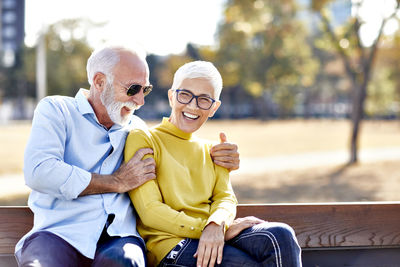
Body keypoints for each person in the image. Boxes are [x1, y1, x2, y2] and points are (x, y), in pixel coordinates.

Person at [15, 46, 240, 267]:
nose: (140, 101)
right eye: (133, 89)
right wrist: (116, 182)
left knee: (128, 262)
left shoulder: (136, 128)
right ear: (99, 82)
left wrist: (221, 155)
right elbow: (40, 171)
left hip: (118, 239)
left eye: (145, 90)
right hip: (58, 234)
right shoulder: (56, 110)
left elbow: (178, 145)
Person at [125, 61, 302, 267]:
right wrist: (209, 228)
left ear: (214, 108)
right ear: (171, 96)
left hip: (215, 235)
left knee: (280, 236)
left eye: (204, 100)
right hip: (170, 246)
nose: (192, 106)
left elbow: (225, 198)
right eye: (185, 95)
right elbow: (150, 211)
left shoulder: (214, 150)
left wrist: (217, 225)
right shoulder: (144, 138)